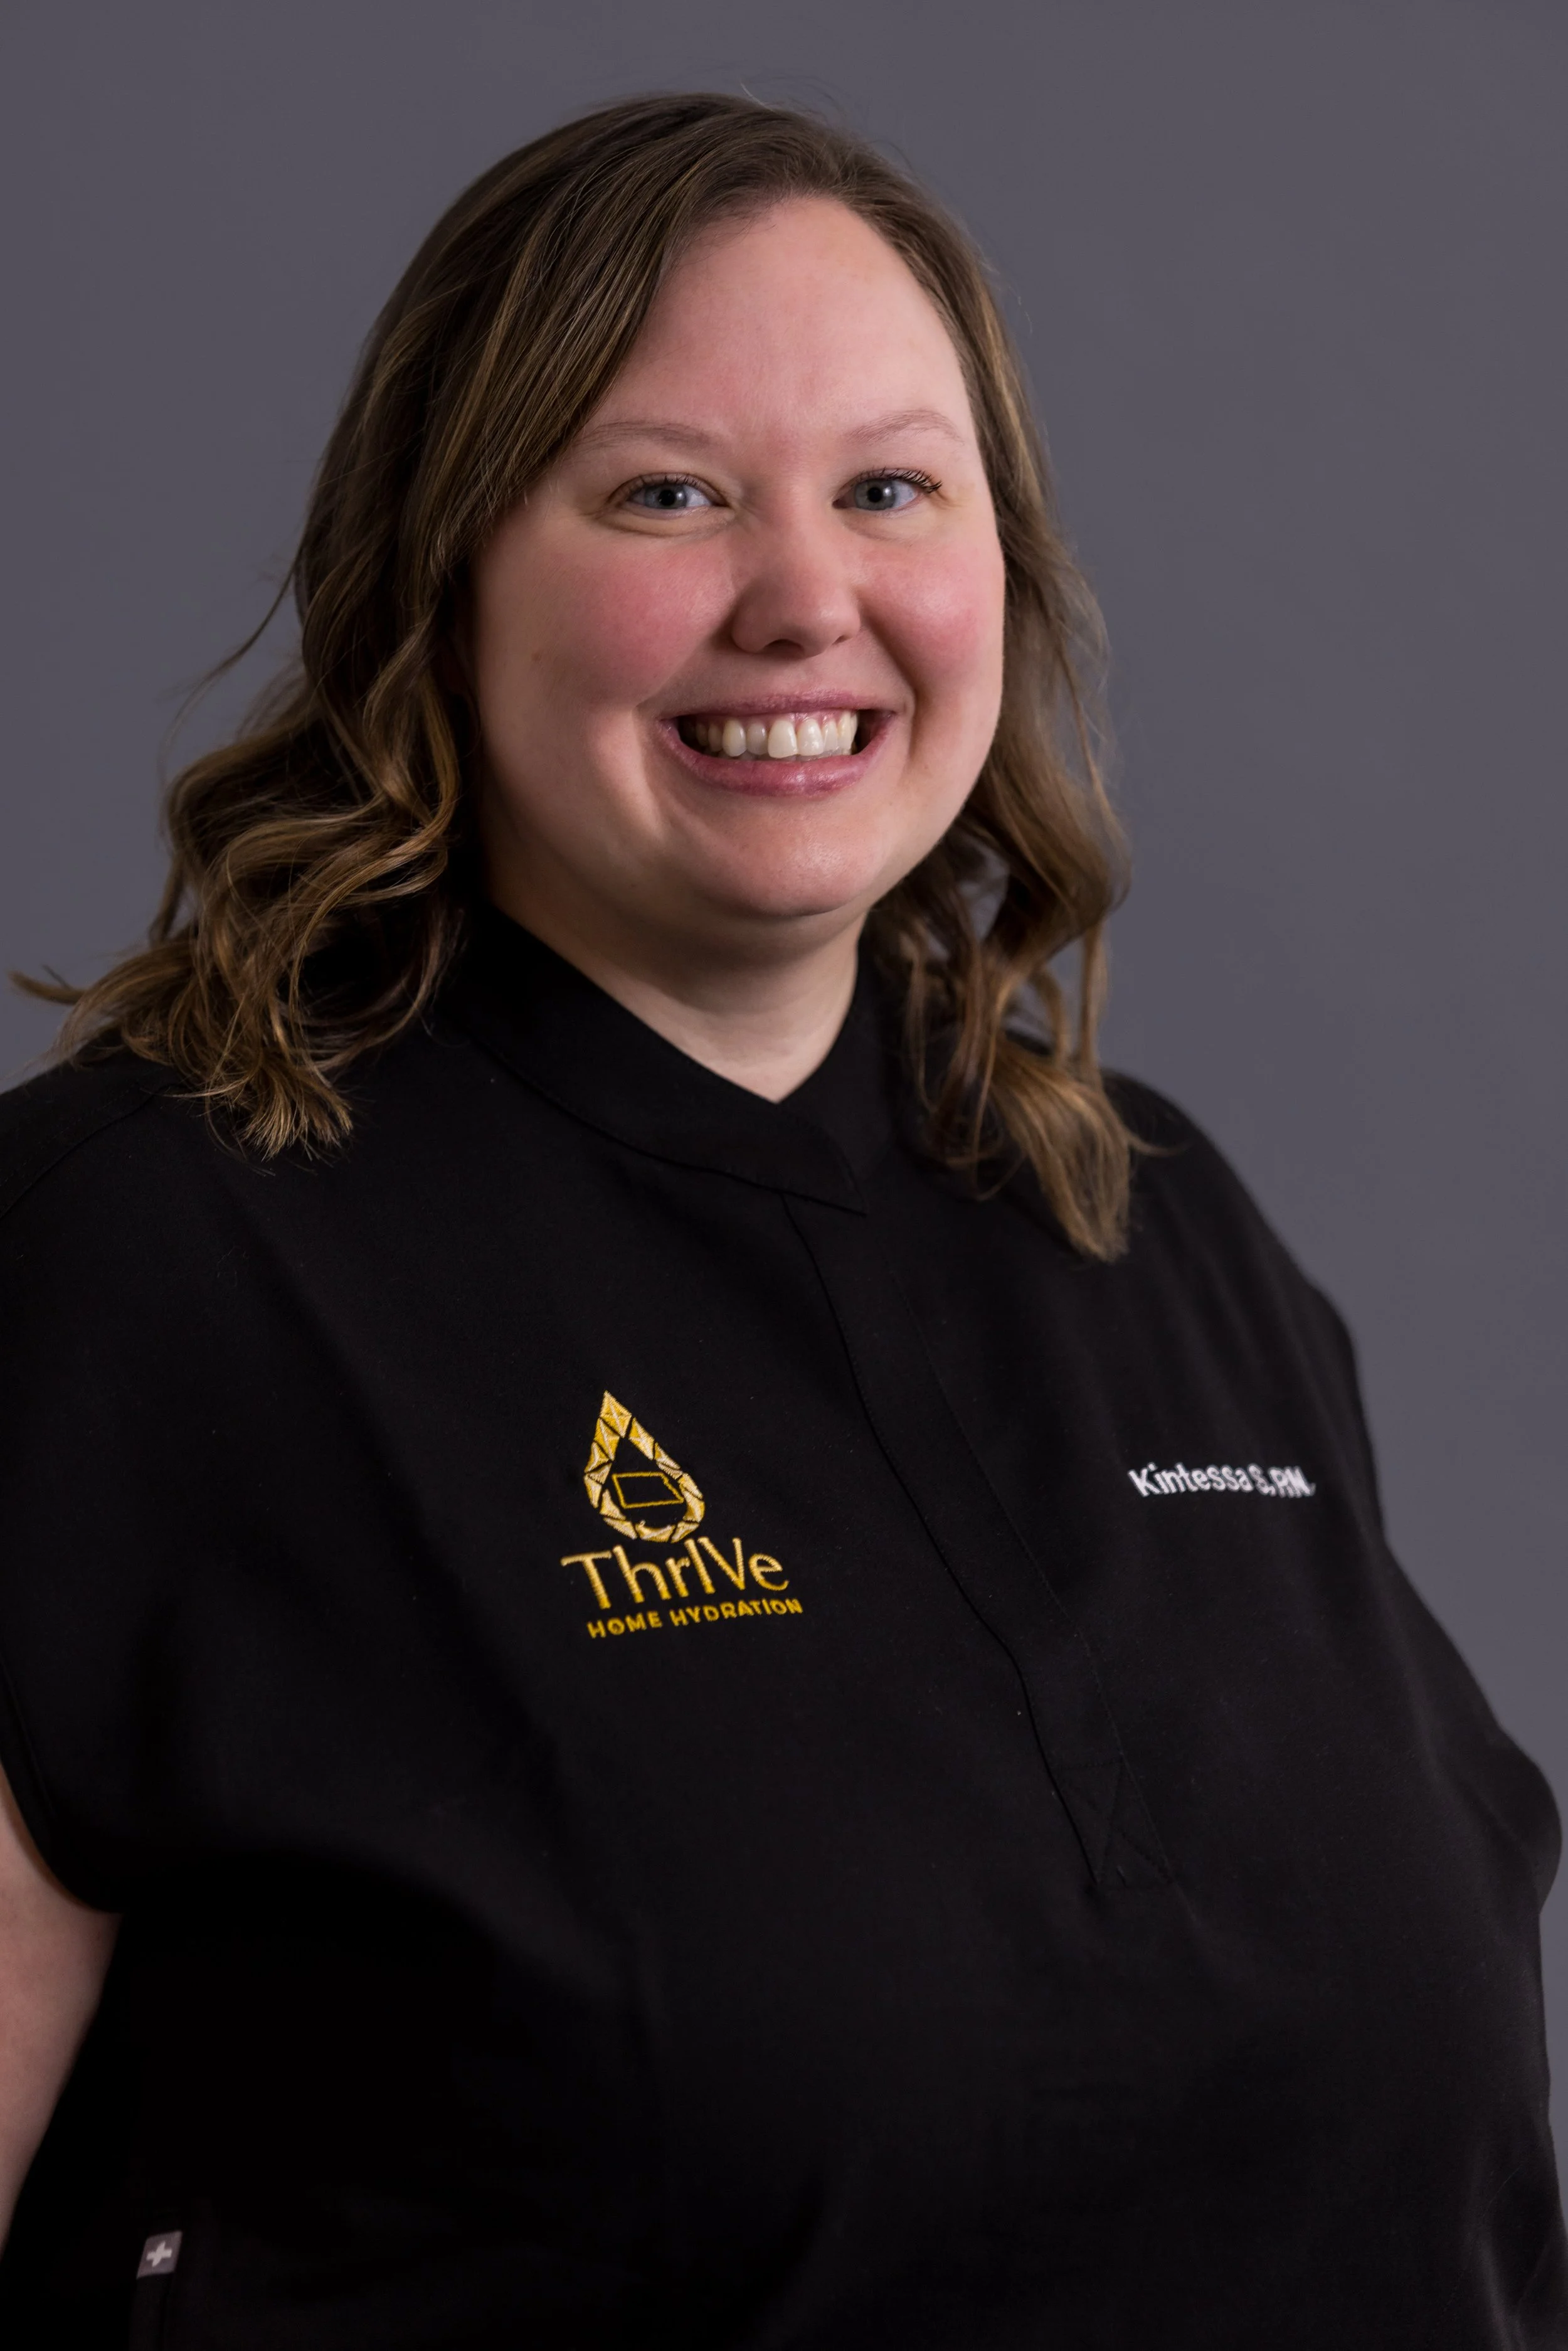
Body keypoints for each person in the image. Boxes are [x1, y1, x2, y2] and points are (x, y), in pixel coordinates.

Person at [0, 90, 1561, 2350]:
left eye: (888, 491)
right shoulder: (131, 1268)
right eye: (668, 493)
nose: (802, 597)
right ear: (442, 577)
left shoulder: (1168, 1238)